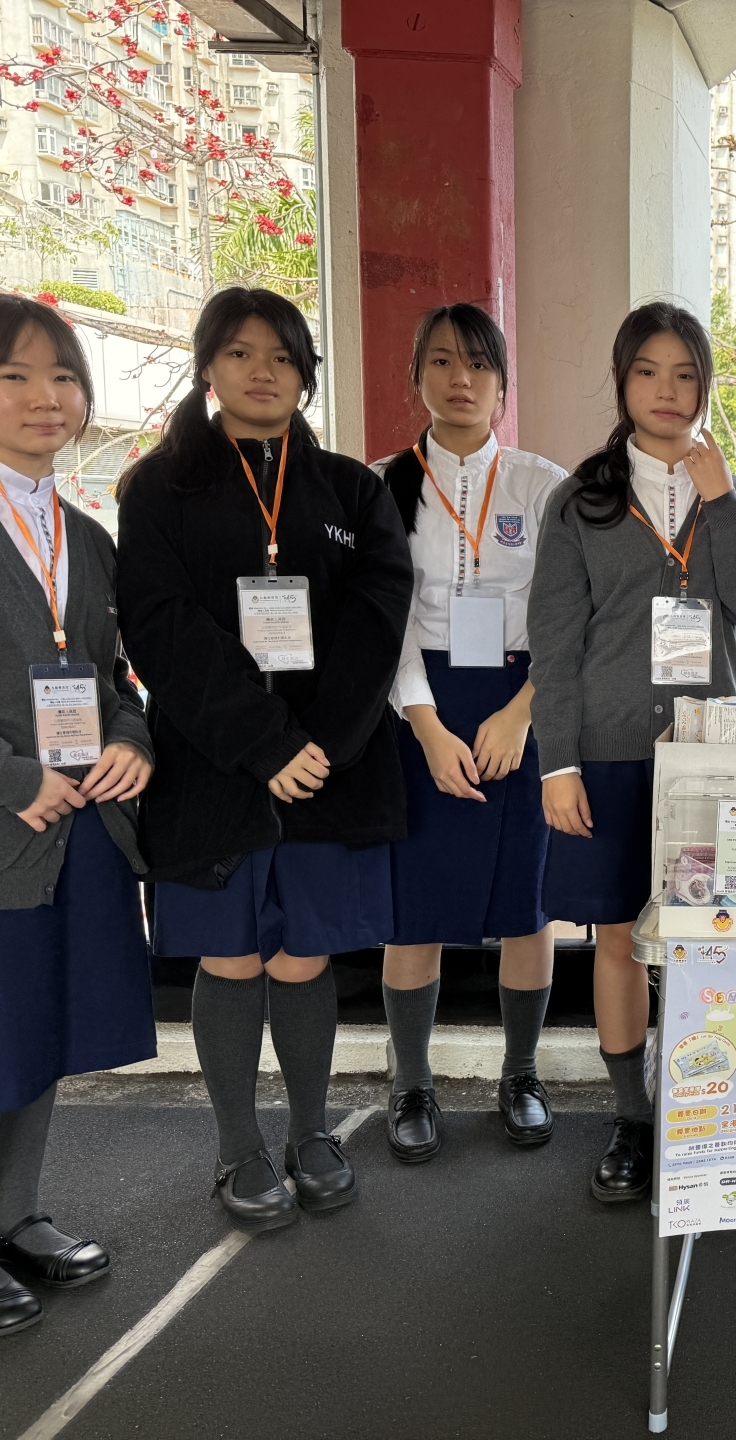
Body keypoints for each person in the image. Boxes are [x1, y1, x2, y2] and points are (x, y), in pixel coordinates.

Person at [117, 288, 413, 1233]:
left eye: (283, 356)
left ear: (305, 374)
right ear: (208, 365)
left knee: (304, 953)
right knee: (233, 954)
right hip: (215, 765)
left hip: (329, 766)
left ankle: (312, 1132)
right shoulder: (159, 487)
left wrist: (316, 744)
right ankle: (238, 1145)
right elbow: (160, 627)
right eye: (241, 353)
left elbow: (378, 621)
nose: (262, 371)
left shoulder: (353, 491)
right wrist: (264, 742)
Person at [529, 301, 736, 1204]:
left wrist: (720, 500)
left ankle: (713, 1106)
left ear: (705, 385)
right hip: (606, 756)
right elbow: (554, 643)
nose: (667, 390)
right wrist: (557, 764)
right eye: (648, 372)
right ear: (623, 382)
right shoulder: (581, 500)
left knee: (721, 937)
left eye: (685, 374)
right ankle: (632, 1120)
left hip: (719, 761)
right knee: (619, 939)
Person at [373, 304, 569, 1163]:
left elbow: (571, 614)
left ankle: (520, 1075)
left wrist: (523, 710)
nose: (461, 379)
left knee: (528, 906)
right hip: (418, 708)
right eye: (443, 362)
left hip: (523, 703)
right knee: (413, 910)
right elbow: (379, 622)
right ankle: (410, 1083)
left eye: (480, 364)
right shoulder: (379, 485)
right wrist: (425, 725)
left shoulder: (542, 485)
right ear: (416, 375)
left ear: (502, 383)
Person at [0, 296, 156, 1337]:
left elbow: (114, 681)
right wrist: (12, 778)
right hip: (11, 820)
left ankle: (15, 1215)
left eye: (62, 376)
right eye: (15, 376)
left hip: (78, 828)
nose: (45, 397)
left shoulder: (87, 537)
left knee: (39, 1024)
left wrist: (133, 741)